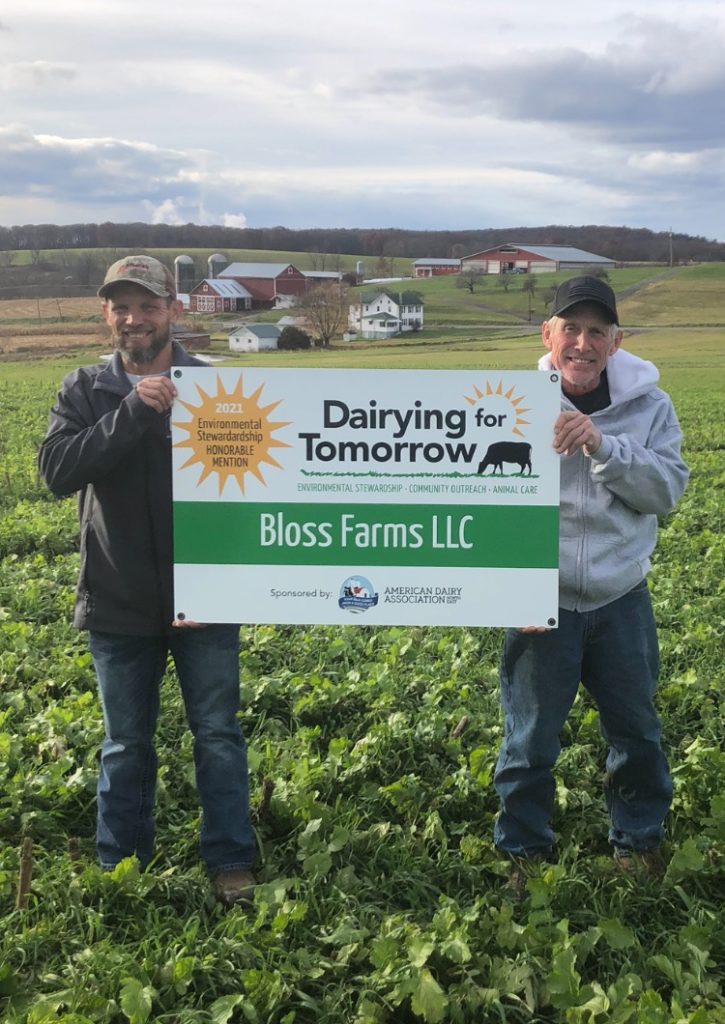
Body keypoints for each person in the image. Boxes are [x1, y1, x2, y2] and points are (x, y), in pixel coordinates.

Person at [39, 255, 256, 906]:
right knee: (125, 745)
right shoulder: (83, 389)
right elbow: (57, 472)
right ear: (106, 313)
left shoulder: (217, 389)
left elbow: (253, 491)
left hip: (207, 602)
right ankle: (122, 868)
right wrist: (131, 412)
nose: (134, 317)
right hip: (116, 599)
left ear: (174, 310)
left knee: (218, 735)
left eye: (148, 304)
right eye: (121, 306)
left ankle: (230, 863)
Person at [493, 275, 689, 891]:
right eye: (569, 329)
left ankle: (638, 840)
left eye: (596, 331)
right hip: (540, 600)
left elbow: (668, 492)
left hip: (619, 597)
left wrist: (605, 446)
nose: (582, 342)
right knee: (529, 736)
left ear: (615, 340)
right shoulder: (511, 402)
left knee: (635, 729)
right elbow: (480, 505)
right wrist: (502, 585)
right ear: (547, 334)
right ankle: (523, 848)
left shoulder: (650, 408)